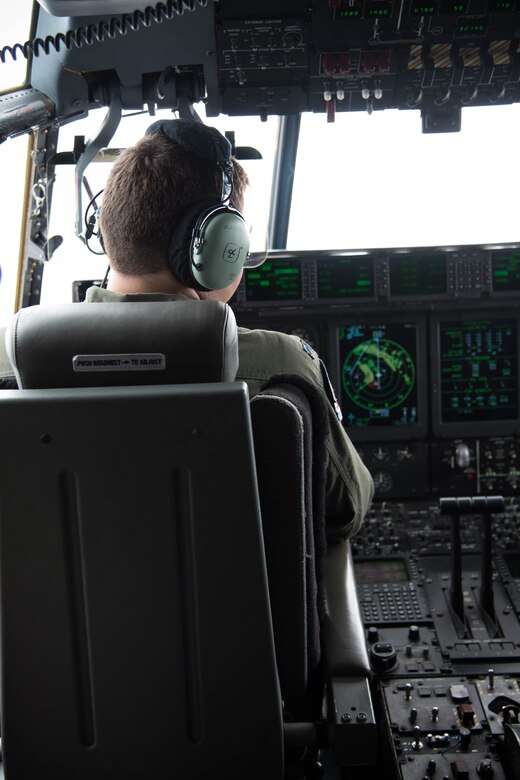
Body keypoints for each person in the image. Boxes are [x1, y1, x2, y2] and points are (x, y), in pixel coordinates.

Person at [0, 118, 374, 540]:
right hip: (240, 608)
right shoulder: (281, 369)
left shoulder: (12, 365)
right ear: (219, 247)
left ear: (107, 229)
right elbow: (347, 510)